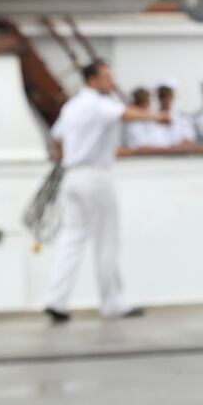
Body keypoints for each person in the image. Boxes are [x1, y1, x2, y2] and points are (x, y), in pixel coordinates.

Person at [43, 61, 159, 322]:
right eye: (106, 77)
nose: (111, 81)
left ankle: (56, 299)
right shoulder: (98, 103)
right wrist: (157, 117)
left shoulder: (71, 106)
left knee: (71, 238)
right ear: (92, 80)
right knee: (106, 239)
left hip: (72, 175)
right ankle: (113, 302)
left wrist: (64, 159)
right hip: (96, 175)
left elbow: (57, 136)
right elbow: (125, 114)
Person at [152, 80, 196, 148]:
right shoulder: (151, 118)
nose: (166, 99)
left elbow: (189, 140)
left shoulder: (183, 117)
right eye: (162, 96)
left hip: (178, 156)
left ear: (173, 96)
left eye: (169, 95)